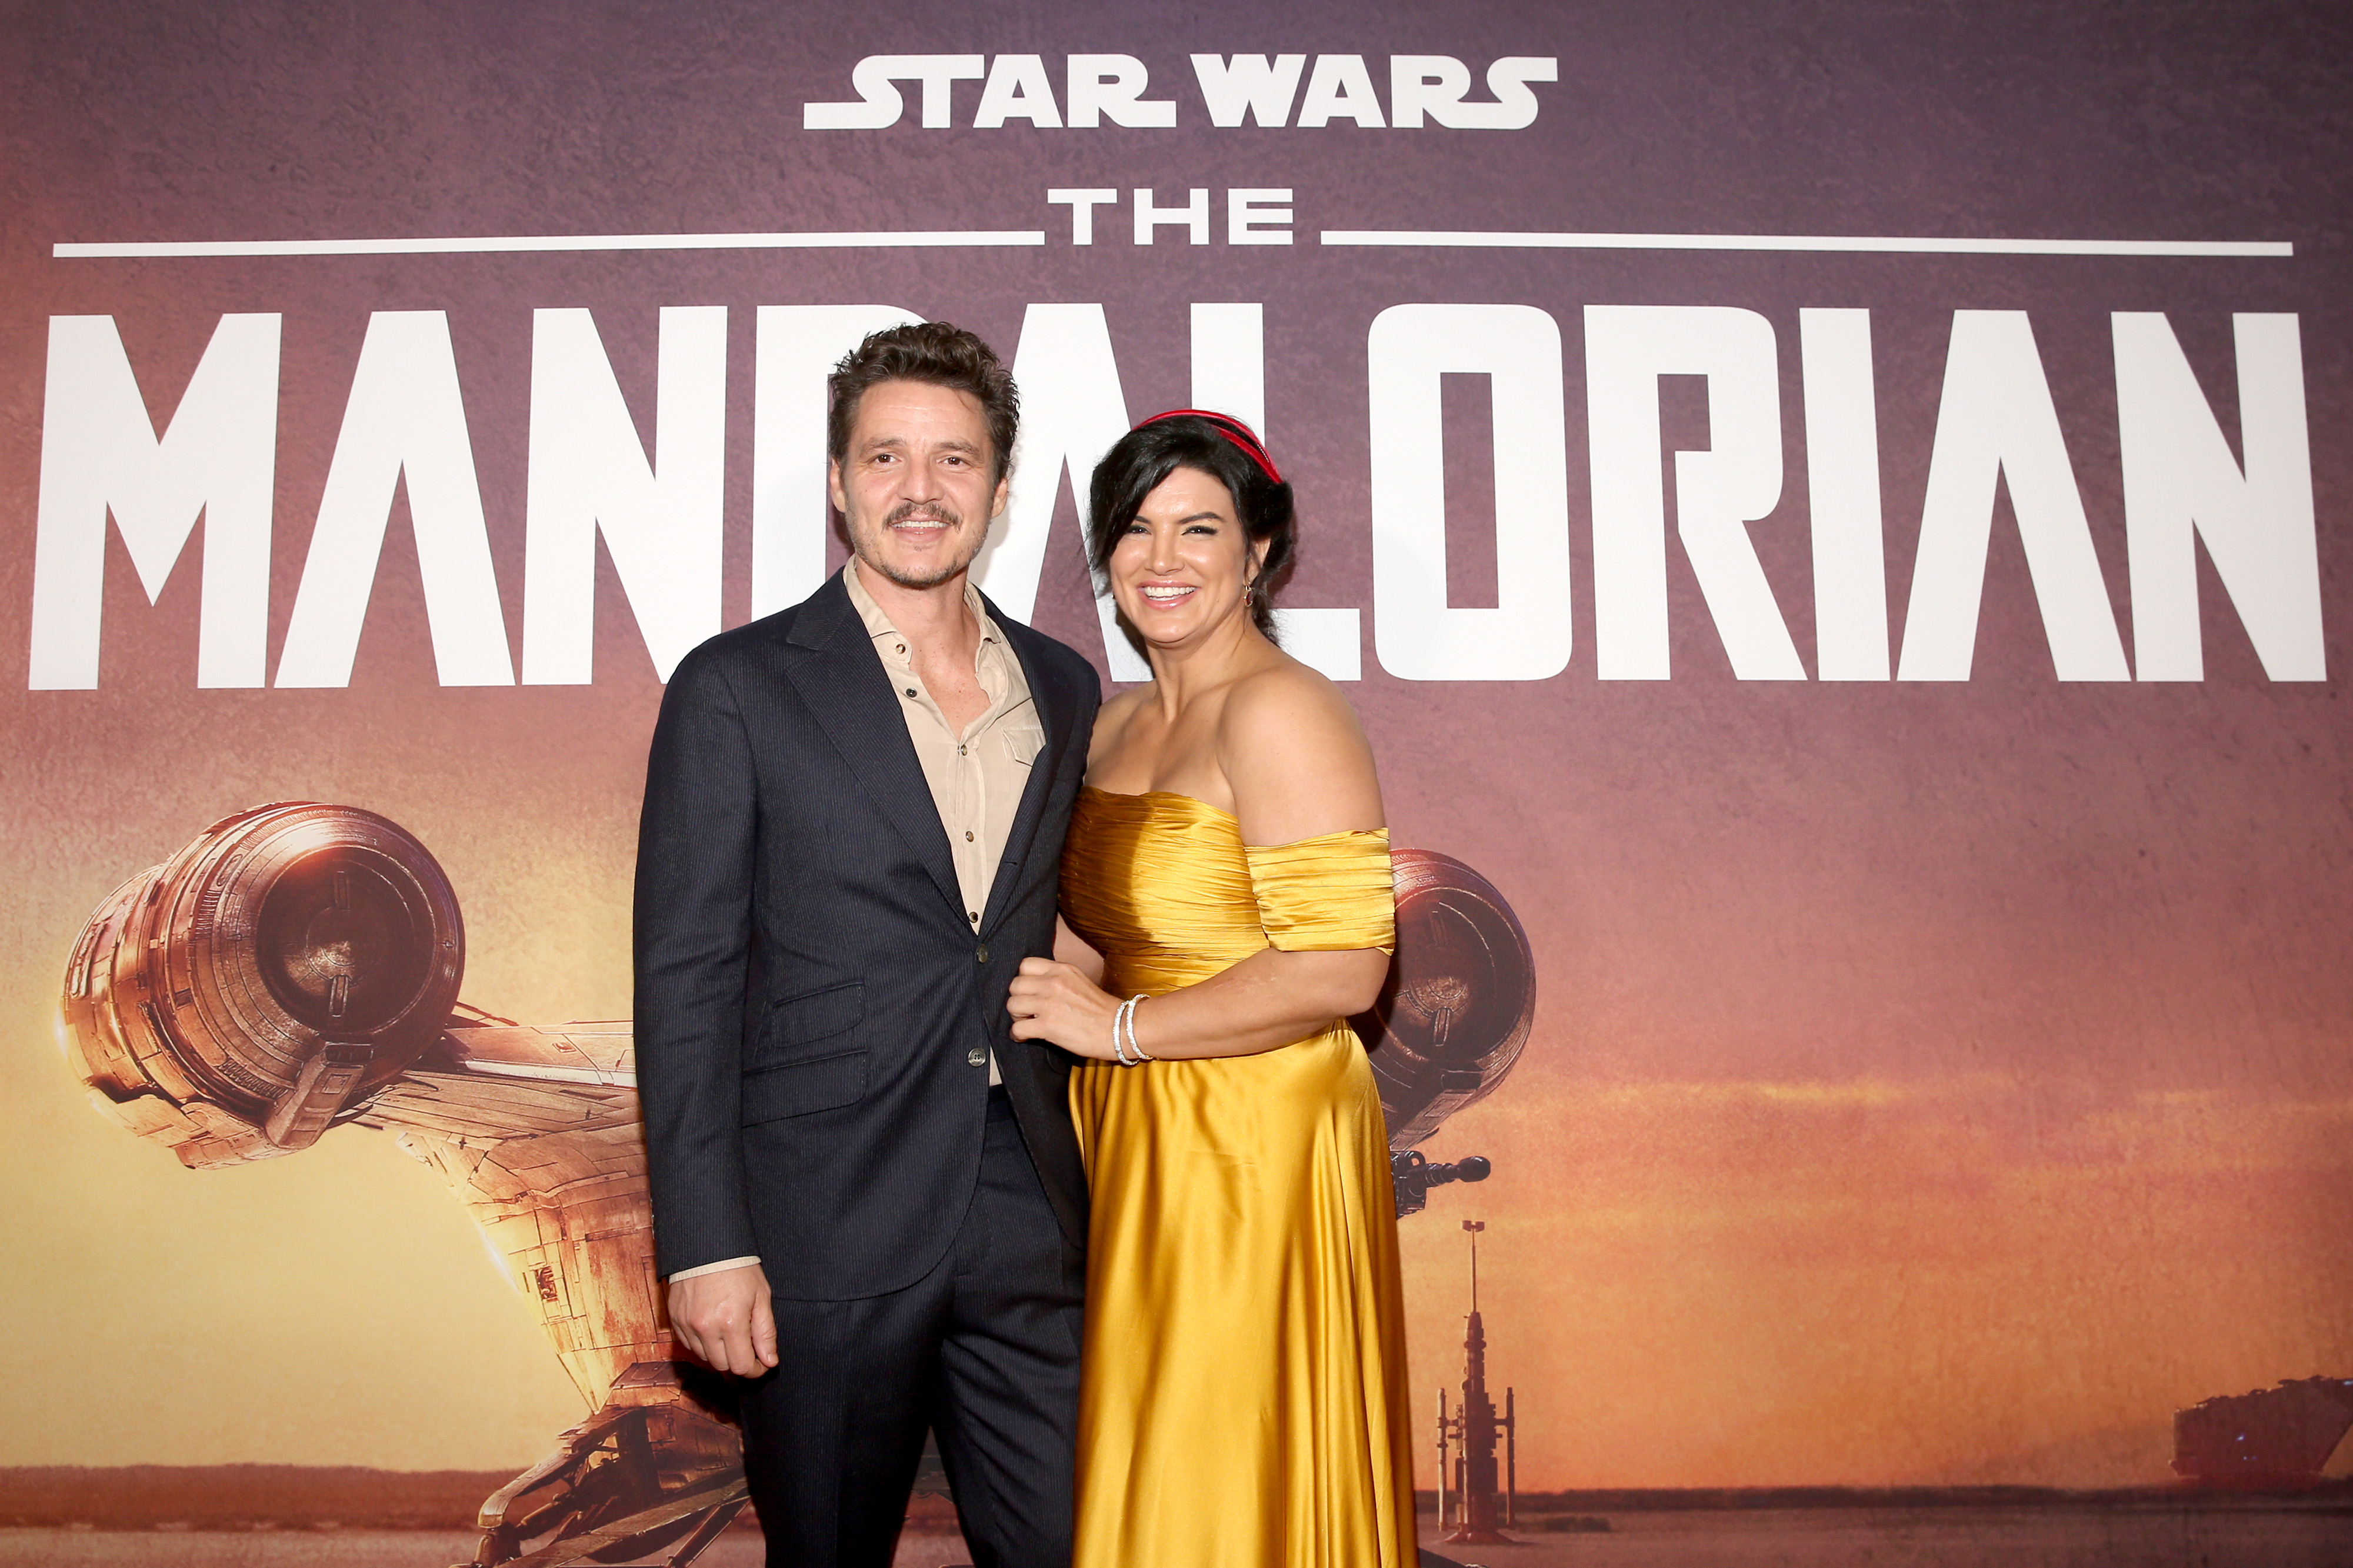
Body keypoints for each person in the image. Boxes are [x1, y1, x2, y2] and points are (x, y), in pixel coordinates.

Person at [634, 322, 1102, 1568]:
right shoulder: (733, 686)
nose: (919, 487)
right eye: (885, 456)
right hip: (817, 1217)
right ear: (838, 482)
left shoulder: (1062, 685)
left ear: (1000, 494)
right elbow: (684, 981)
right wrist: (706, 1241)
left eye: (954, 460)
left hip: (1026, 1200)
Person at [1006, 411, 1418, 1567]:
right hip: (1133, 1121)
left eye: (1199, 528)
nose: (1161, 559)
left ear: (1260, 553)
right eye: (1133, 530)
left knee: (1224, 1456)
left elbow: (1343, 966)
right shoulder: (1117, 719)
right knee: (1147, 1449)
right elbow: (1100, 937)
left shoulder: (1283, 707)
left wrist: (1122, 1028)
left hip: (1251, 1136)